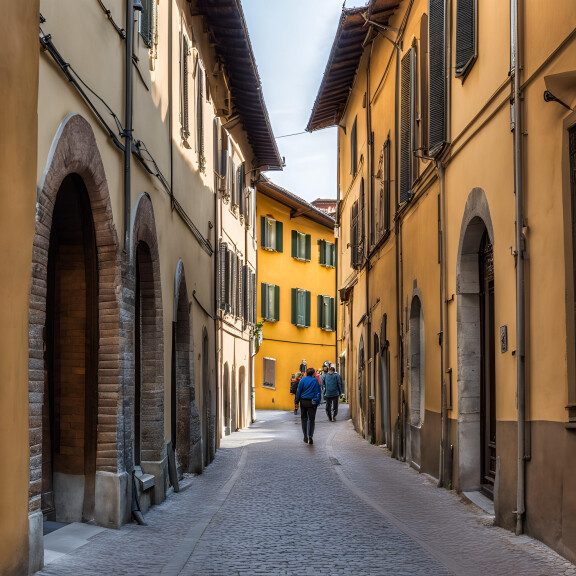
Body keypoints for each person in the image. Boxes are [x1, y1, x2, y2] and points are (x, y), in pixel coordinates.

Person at [295, 367, 321, 444]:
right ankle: (310, 436)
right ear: (313, 374)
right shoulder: (315, 380)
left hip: (303, 402)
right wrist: (318, 401)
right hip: (312, 402)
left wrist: (296, 401)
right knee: (311, 420)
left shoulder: (302, 380)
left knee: (304, 419)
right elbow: (318, 392)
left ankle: (305, 436)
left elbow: (298, 391)